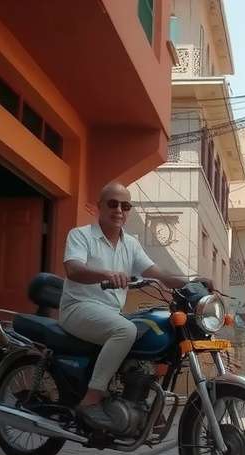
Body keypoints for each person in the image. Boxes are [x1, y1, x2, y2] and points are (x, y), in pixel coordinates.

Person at [59, 182, 213, 435]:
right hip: (78, 308)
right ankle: (92, 399)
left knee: (152, 335)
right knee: (126, 331)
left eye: (125, 205)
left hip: (109, 314)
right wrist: (105, 274)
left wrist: (192, 283)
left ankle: (140, 402)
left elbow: (156, 272)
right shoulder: (81, 235)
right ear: (99, 207)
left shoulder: (130, 243)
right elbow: (73, 269)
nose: (119, 209)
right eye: (113, 203)